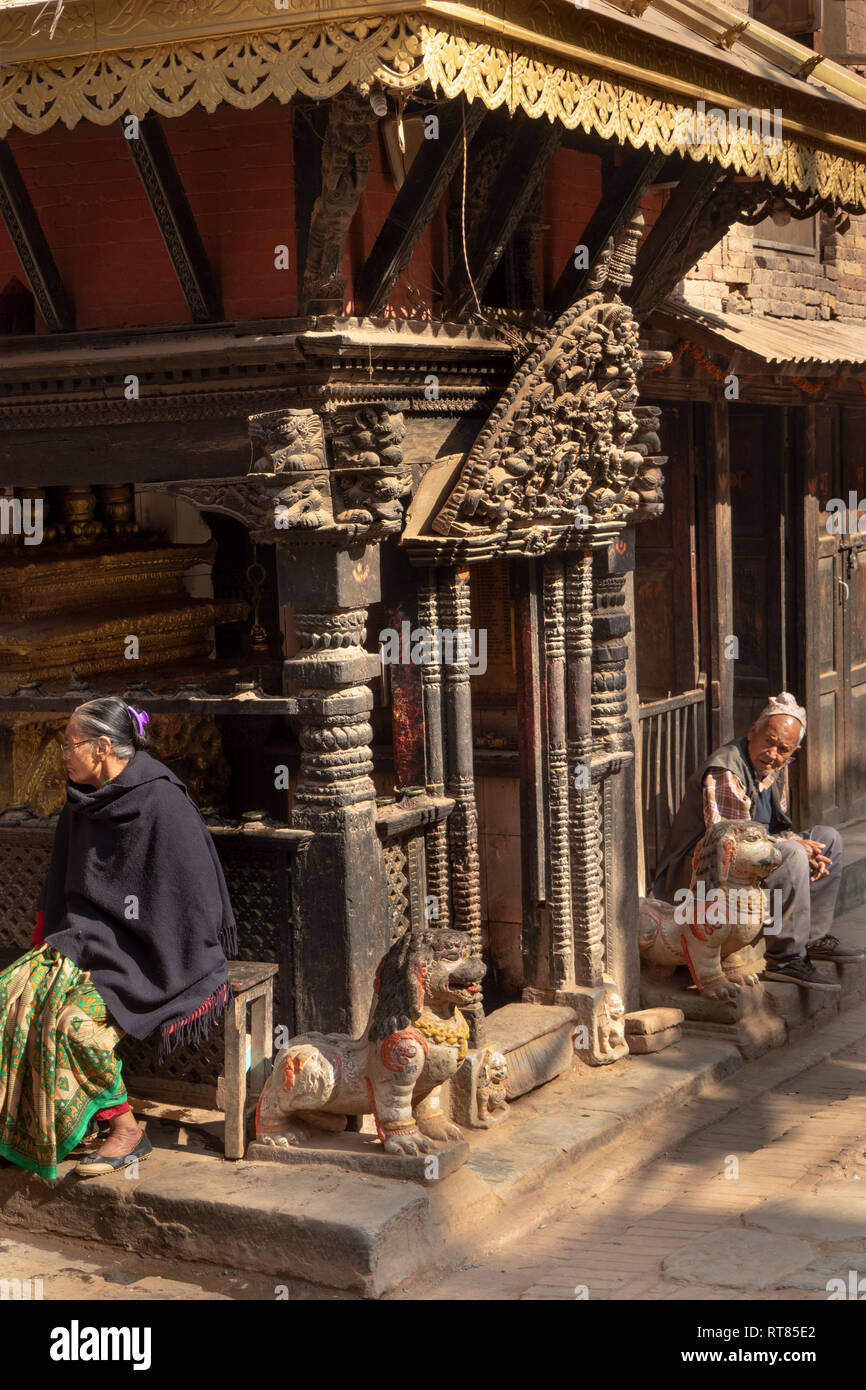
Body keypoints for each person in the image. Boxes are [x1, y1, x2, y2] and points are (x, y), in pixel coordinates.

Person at [0, 697, 237, 1180]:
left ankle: (126, 1128)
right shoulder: (82, 801)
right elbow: (63, 888)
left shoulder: (162, 802)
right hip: (85, 944)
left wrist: (127, 947)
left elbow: (191, 904)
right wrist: (59, 945)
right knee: (10, 997)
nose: (63, 754)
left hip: (154, 956)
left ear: (103, 747)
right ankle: (42, 1126)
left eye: (70, 744)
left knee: (71, 1026)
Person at [652, 691, 863, 989]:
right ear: (753, 731)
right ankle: (786, 960)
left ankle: (811, 938)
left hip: (750, 857)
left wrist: (802, 846)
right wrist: (791, 846)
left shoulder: (776, 769)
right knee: (791, 853)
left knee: (828, 840)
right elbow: (729, 842)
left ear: (794, 751)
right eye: (768, 741)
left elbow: (774, 828)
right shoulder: (726, 770)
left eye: (783, 749)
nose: (773, 753)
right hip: (701, 873)